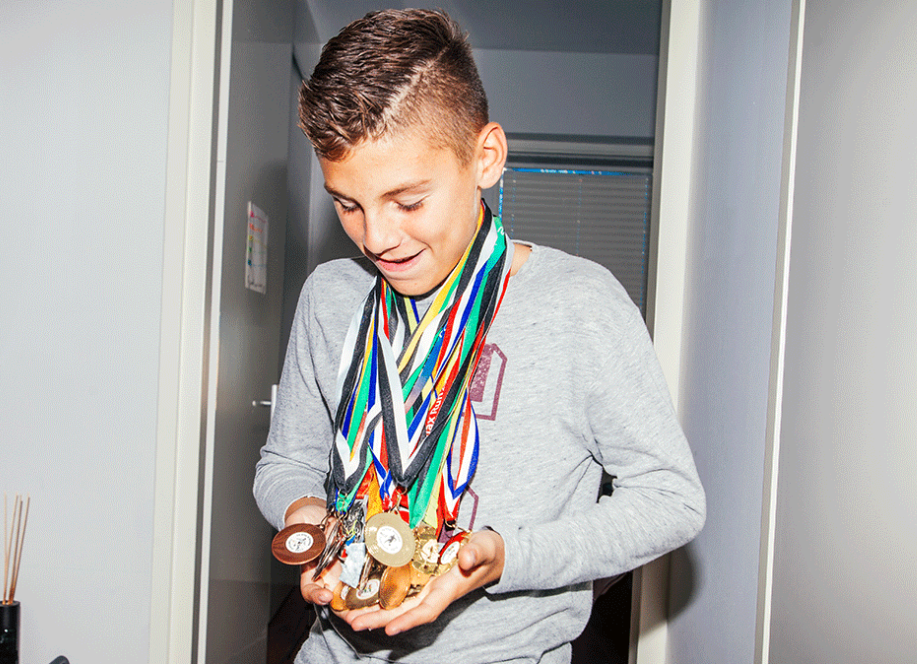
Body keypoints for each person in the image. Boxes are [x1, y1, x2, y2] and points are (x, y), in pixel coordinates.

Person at [254, 9, 705, 663]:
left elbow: (670, 500)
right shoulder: (330, 297)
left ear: (485, 157)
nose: (376, 237)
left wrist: (505, 555)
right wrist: (311, 526)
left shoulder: (579, 306)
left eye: (408, 201)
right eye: (347, 203)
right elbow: (287, 462)